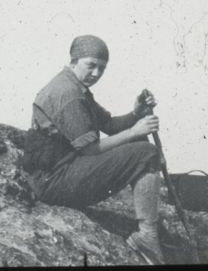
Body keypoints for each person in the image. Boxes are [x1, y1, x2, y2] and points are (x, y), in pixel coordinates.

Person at [23, 35, 164, 264]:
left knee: (140, 146)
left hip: (60, 172)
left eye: (102, 68)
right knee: (145, 152)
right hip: (52, 182)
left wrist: (136, 112)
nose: (96, 73)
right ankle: (147, 235)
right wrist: (133, 132)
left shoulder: (74, 86)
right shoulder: (67, 94)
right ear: (74, 61)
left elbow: (108, 125)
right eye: (91, 65)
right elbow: (90, 150)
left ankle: (147, 235)